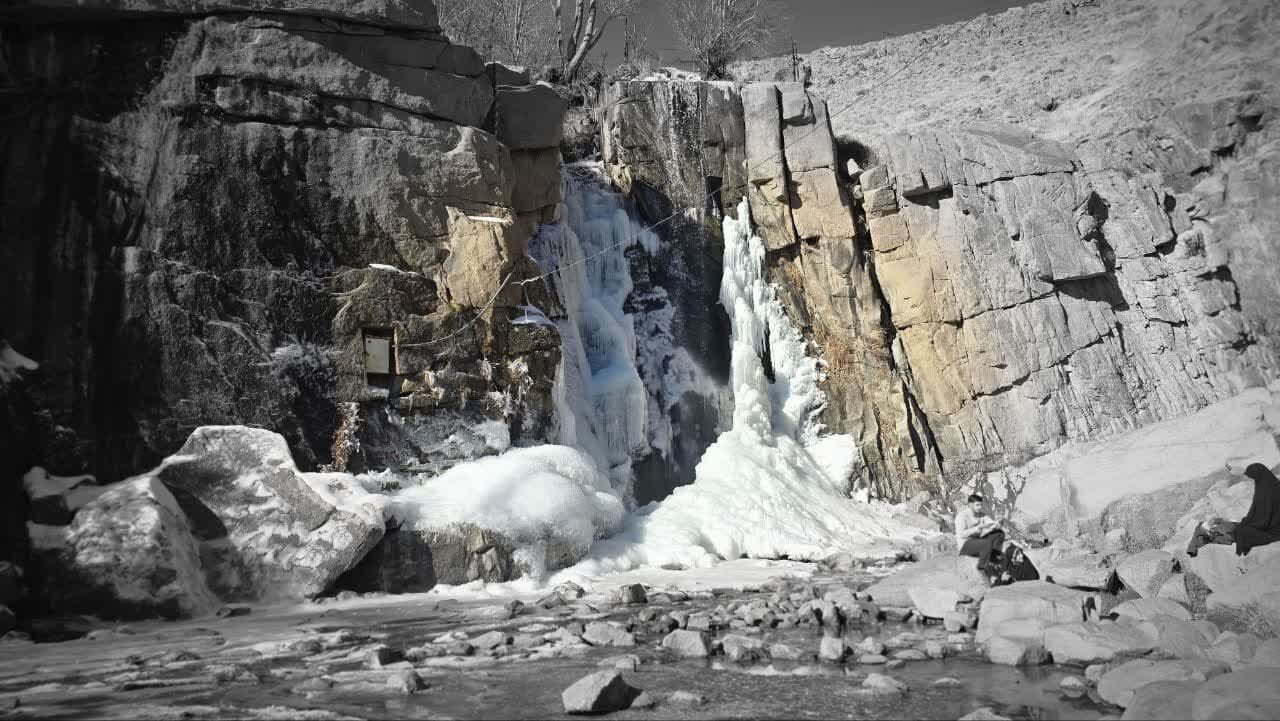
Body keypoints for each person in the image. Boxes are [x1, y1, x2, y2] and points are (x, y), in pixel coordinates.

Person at [1234, 463, 1280, 556]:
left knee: (1241, 531)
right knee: (1241, 528)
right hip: (1271, 521)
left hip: (1272, 526)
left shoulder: (1265, 489)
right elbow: (1257, 507)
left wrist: (1248, 521)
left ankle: (1241, 557)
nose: (1251, 479)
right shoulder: (1270, 484)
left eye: (1252, 476)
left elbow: (1262, 513)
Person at [955, 494, 1005, 578]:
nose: (979, 507)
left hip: (978, 542)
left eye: (981, 505)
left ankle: (995, 557)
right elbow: (961, 535)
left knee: (999, 533)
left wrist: (998, 523)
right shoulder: (962, 516)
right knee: (986, 543)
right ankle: (981, 568)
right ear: (970, 505)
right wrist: (977, 528)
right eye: (977, 505)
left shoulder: (981, 515)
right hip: (965, 545)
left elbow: (991, 523)